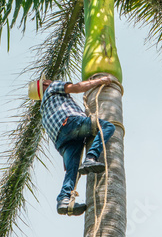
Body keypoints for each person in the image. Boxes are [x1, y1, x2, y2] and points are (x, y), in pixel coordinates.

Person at [28, 75, 116, 216]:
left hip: (61, 141)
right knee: (107, 127)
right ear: (44, 84)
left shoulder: (43, 109)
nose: (50, 80)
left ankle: (64, 200)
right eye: (47, 80)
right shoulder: (52, 87)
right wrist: (100, 81)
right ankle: (91, 157)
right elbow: (76, 88)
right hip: (69, 124)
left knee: (72, 171)